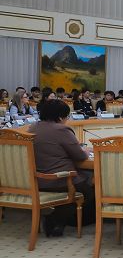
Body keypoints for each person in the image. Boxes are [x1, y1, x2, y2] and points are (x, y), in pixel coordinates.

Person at [31, 99, 96, 236]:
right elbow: (80, 156)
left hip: (36, 179)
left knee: (86, 180)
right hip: (60, 179)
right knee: (90, 190)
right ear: (60, 117)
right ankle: (57, 219)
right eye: (67, 116)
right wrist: (85, 150)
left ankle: (60, 220)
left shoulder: (34, 127)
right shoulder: (61, 129)